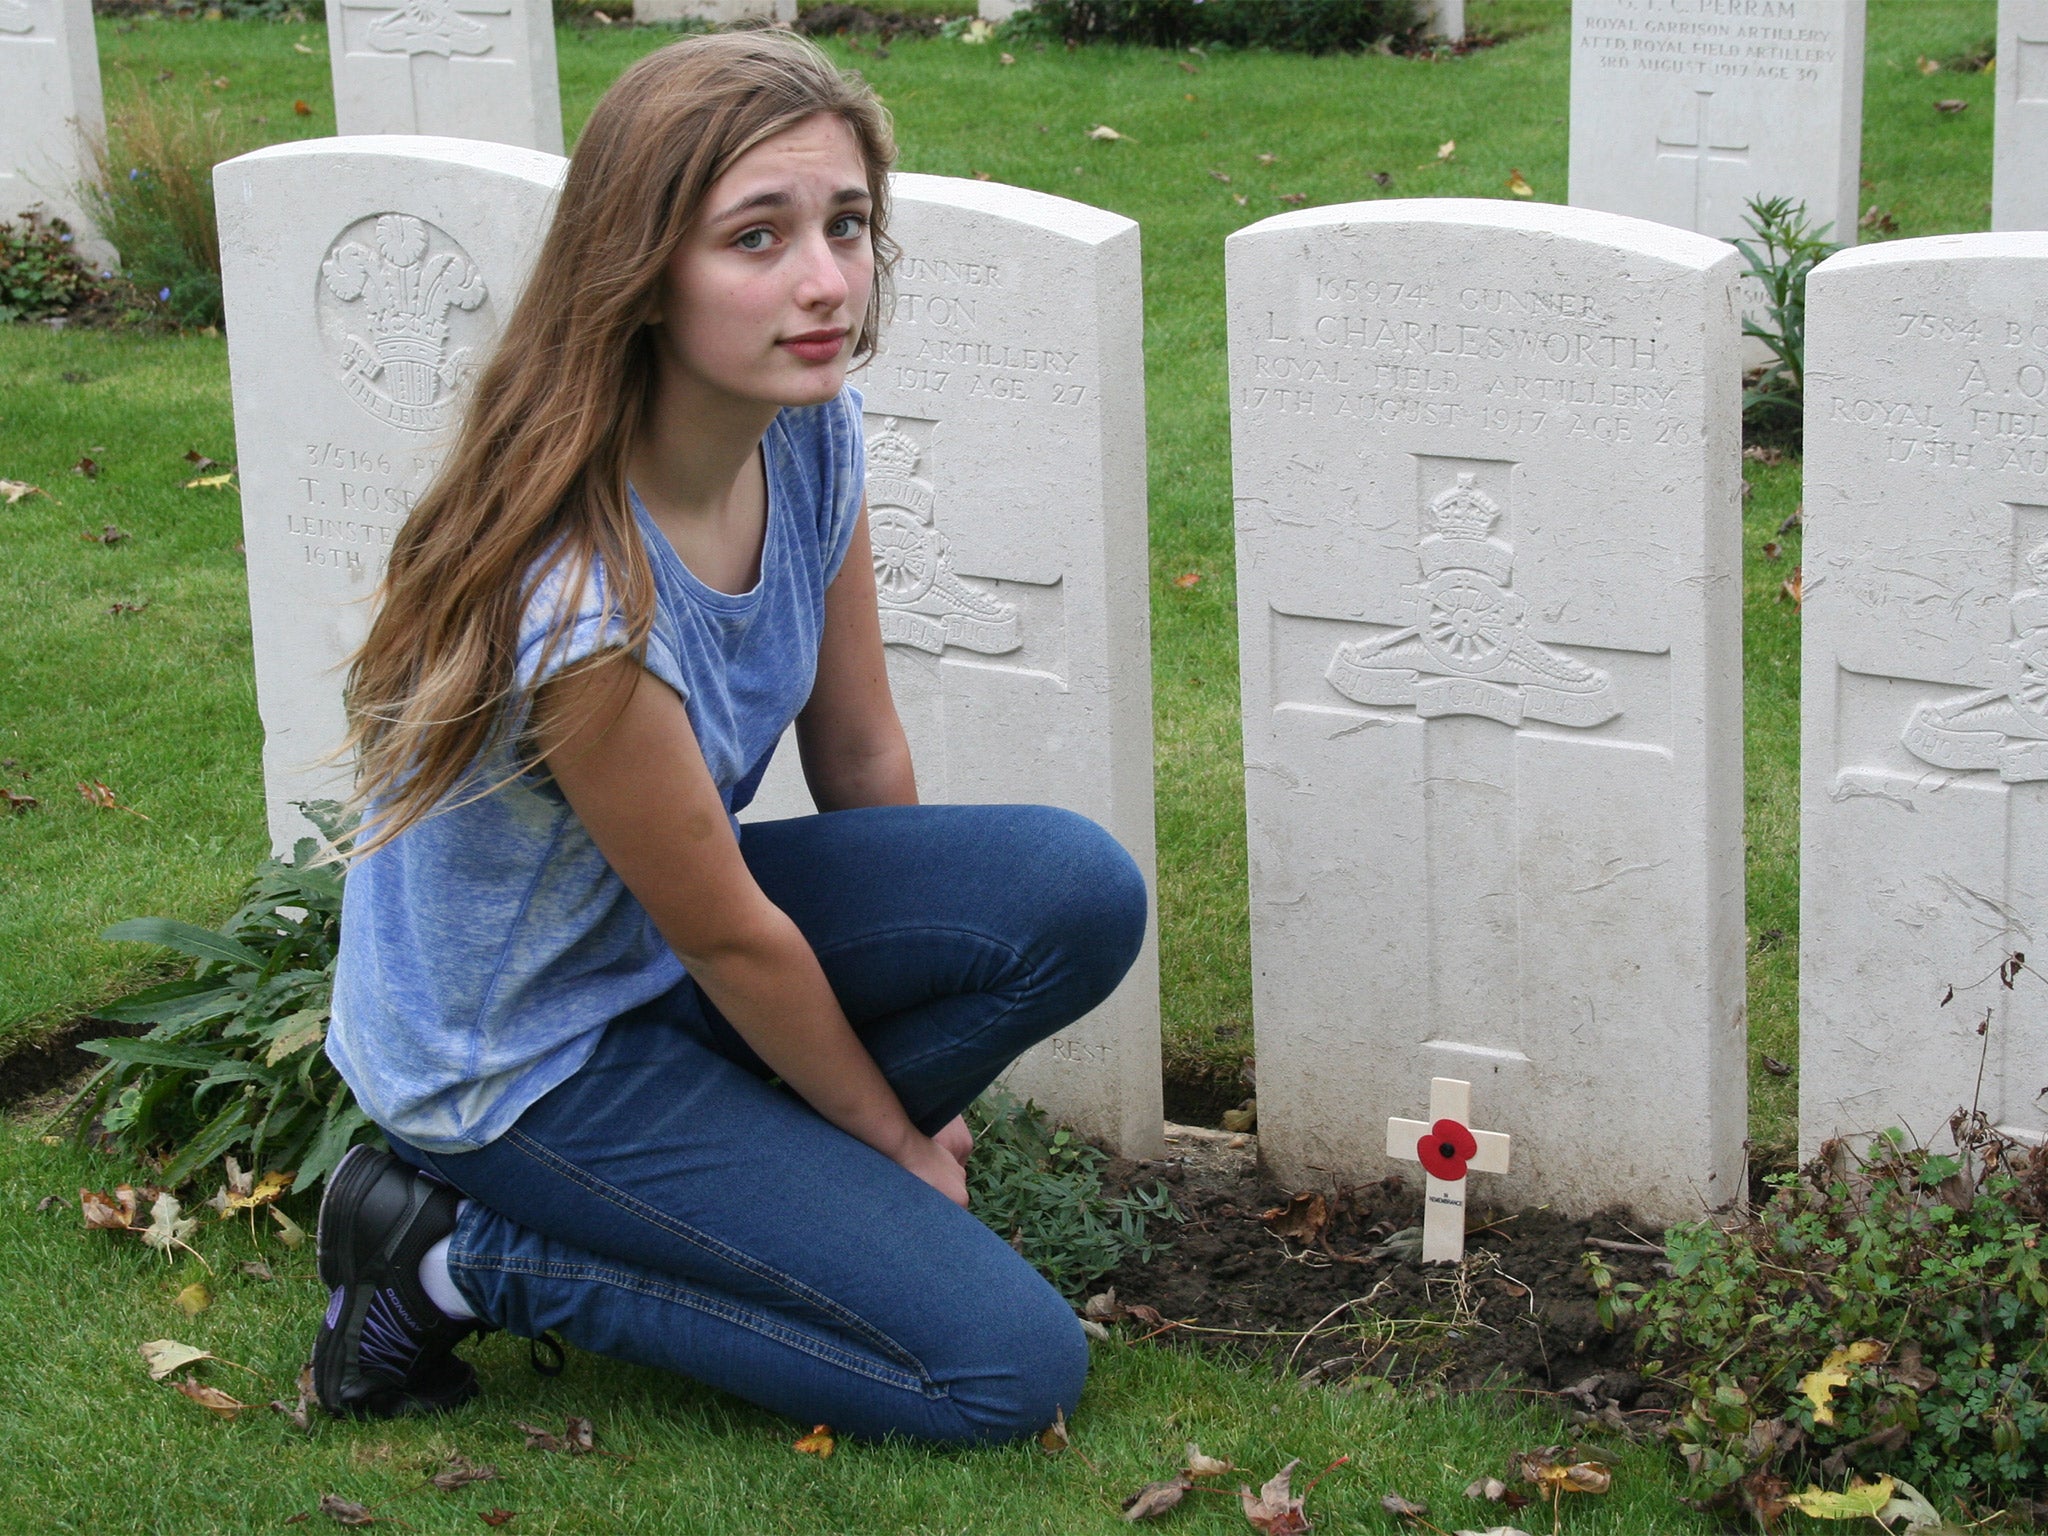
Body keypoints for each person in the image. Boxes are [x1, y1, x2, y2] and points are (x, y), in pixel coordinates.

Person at [310, 30, 1148, 1446]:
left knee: (1074, 892)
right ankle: (449, 1257)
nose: (825, 282)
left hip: (656, 954)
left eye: (846, 225)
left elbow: (863, 754)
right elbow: (731, 937)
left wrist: (879, 1114)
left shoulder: (808, 433)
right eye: (756, 238)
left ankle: (763, 1178)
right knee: (1005, 1370)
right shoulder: (579, 603)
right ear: (642, 268)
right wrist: (889, 1137)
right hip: (520, 1057)